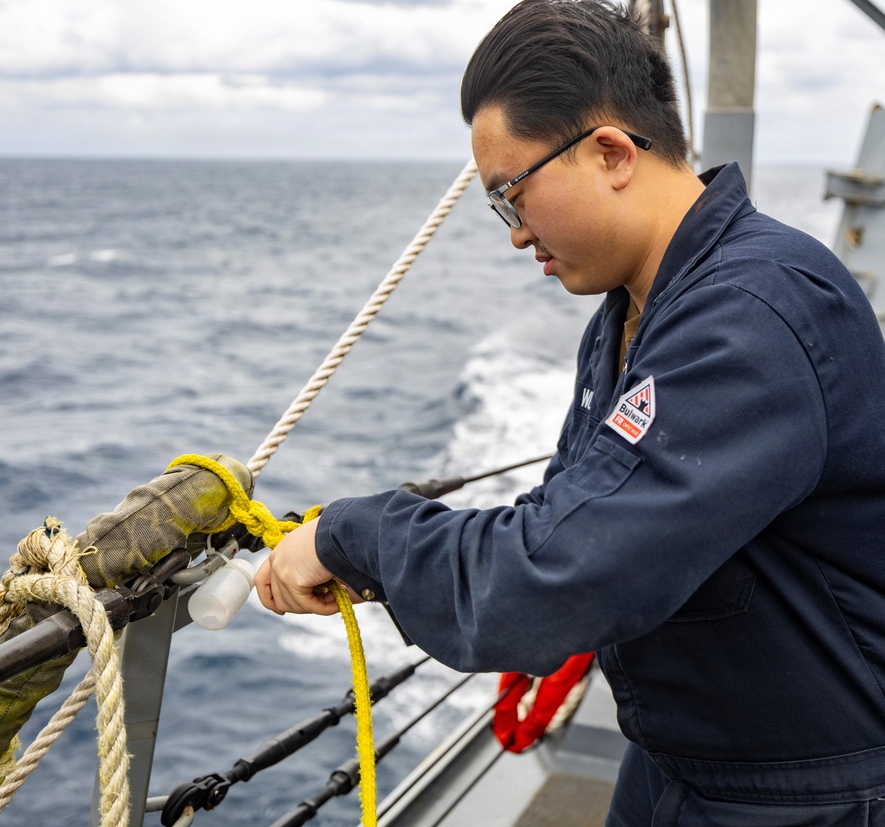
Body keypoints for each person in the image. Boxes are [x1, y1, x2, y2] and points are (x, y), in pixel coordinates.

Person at [256, 1, 885, 823]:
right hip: (680, 761)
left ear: (612, 152)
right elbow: (568, 520)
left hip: (803, 792)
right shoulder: (636, 312)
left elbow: (557, 579)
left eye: (512, 197)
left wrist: (353, 535)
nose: (515, 235)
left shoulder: (752, 315)